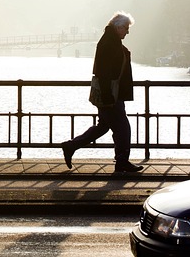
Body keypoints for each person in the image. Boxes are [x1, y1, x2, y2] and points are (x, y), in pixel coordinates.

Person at [61, 11, 144, 173]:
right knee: (123, 128)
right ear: (118, 27)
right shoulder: (109, 42)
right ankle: (122, 161)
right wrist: (107, 94)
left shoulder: (110, 40)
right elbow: (104, 71)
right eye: (126, 28)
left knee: (103, 126)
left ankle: (71, 146)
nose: (127, 32)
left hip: (111, 93)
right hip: (111, 94)